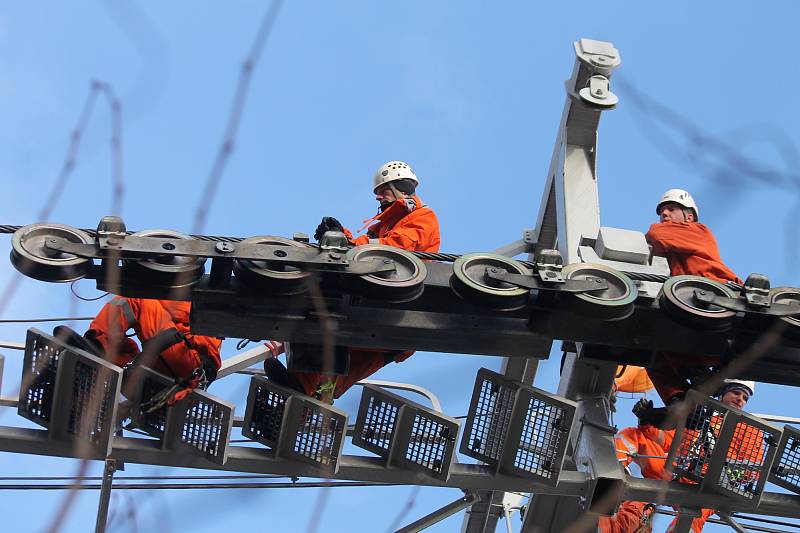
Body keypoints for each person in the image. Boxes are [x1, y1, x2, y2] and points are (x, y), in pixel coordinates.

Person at [265, 161, 440, 402]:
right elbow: (366, 247)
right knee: (331, 356)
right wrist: (339, 236)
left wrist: (346, 244)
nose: (378, 197)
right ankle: (305, 397)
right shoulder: (383, 227)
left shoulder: (422, 217)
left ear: (399, 187)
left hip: (398, 309)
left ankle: (304, 390)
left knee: (324, 324)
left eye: (383, 191)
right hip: (380, 308)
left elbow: (397, 249)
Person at [609, 379, 758, 533]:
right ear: (723, 393)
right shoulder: (699, 417)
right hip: (675, 473)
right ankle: (611, 473)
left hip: (707, 487)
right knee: (633, 434)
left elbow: (753, 468)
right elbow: (667, 440)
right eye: (736, 392)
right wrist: (647, 421)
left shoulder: (750, 431)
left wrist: (727, 473)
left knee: (691, 521)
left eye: (745, 397)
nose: (740, 399)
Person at [644, 189, 743, 411]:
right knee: (650, 350)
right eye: (662, 211)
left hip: (714, 303)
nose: (664, 214)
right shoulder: (673, 249)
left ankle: (696, 376)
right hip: (692, 317)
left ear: (689, 216)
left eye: (671, 209)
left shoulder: (698, 231)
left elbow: (656, 236)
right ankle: (678, 399)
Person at [82, 297, 223, 404]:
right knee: (126, 348)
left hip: (186, 363)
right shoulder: (203, 307)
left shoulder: (193, 300)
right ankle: (104, 362)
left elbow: (175, 309)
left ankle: (96, 345)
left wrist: (151, 282)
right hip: (181, 368)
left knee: (133, 297)